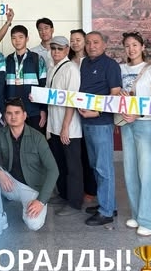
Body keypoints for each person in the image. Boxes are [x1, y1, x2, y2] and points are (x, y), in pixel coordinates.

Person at [0, 98, 58, 236]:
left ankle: (35, 206)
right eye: (9, 113)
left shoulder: (37, 137)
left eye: (17, 113)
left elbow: (53, 170)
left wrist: (41, 201)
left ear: (24, 115)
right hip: (10, 184)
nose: (13, 116)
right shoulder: (1, 134)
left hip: (32, 188)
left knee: (33, 224)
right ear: (5, 116)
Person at [119, 32, 151, 236]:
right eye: (127, 45)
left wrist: (138, 114)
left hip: (145, 123)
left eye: (135, 45)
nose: (131, 49)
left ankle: (149, 220)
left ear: (142, 47)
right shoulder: (120, 69)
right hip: (125, 124)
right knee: (130, 171)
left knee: (148, 172)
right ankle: (137, 214)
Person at [79, 31, 122, 226]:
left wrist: (96, 113)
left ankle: (106, 212)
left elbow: (115, 96)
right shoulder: (84, 64)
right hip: (86, 122)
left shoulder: (111, 65)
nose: (91, 46)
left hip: (101, 123)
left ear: (104, 44)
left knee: (104, 168)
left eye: (96, 42)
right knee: (95, 166)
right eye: (88, 43)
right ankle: (109, 203)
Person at [46, 36, 83, 216]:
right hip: (54, 125)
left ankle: (74, 203)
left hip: (68, 128)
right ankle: (63, 195)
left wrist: (65, 127)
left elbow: (72, 100)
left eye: (60, 48)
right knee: (59, 163)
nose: (56, 52)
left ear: (67, 50)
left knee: (73, 167)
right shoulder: (52, 68)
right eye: (53, 48)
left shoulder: (71, 69)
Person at [69, 28, 96, 203]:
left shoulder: (91, 61)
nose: (75, 43)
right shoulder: (68, 61)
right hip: (71, 110)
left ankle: (91, 189)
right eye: (72, 40)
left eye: (78, 39)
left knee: (88, 152)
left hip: (89, 111)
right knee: (76, 152)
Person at [6, 24, 47, 134]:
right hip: (13, 113)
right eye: (14, 38)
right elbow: (3, 88)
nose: (17, 41)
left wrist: (43, 110)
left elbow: (44, 85)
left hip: (34, 111)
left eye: (21, 37)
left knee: (35, 141)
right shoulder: (7, 60)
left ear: (27, 38)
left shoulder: (37, 59)